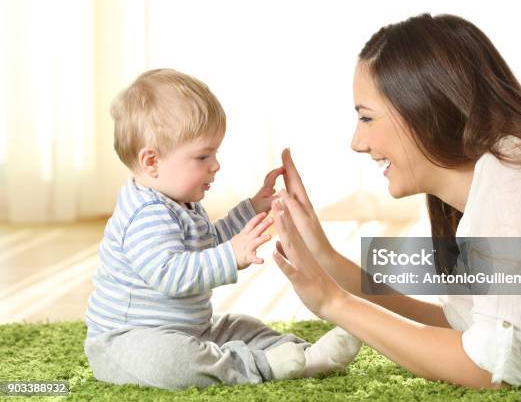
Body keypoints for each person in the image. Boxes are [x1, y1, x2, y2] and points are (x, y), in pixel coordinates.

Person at [269, 13, 521, 399]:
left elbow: (492, 365)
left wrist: (335, 303)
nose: (356, 142)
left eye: (366, 117)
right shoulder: (500, 176)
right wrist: (325, 257)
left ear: (423, 110)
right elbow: (468, 333)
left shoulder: (518, 176)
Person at [83, 68, 361, 390]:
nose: (215, 165)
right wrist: (232, 256)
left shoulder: (179, 202)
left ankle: (303, 355)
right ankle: (264, 365)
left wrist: (252, 208)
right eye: (203, 156)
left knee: (242, 327)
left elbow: (208, 242)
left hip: (191, 328)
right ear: (151, 162)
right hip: (130, 341)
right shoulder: (144, 213)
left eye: (215, 153)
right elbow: (171, 274)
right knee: (173, 362)